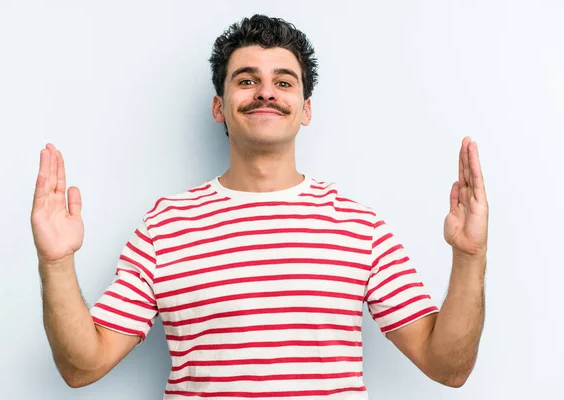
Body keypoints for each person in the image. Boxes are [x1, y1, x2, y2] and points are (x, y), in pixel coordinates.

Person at [31, 14, 489, 399]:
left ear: (305, 109)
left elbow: (446, 367)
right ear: (220, 106)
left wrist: (469, 257)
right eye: (246, 80)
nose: (265, 92)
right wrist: (55, 262)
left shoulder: (358, 226)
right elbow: (82, 368)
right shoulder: (165, 226)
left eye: (283, 82)